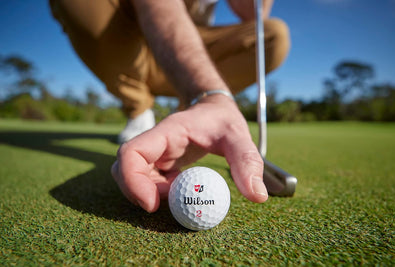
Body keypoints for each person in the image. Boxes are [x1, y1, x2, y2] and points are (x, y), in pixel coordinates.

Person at [50, 0, 290, 212]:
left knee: (273, 35)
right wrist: (213, 96)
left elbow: (253, 14)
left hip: (194, 48)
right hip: (129, 42)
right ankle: (139, 108)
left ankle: (189, 112)